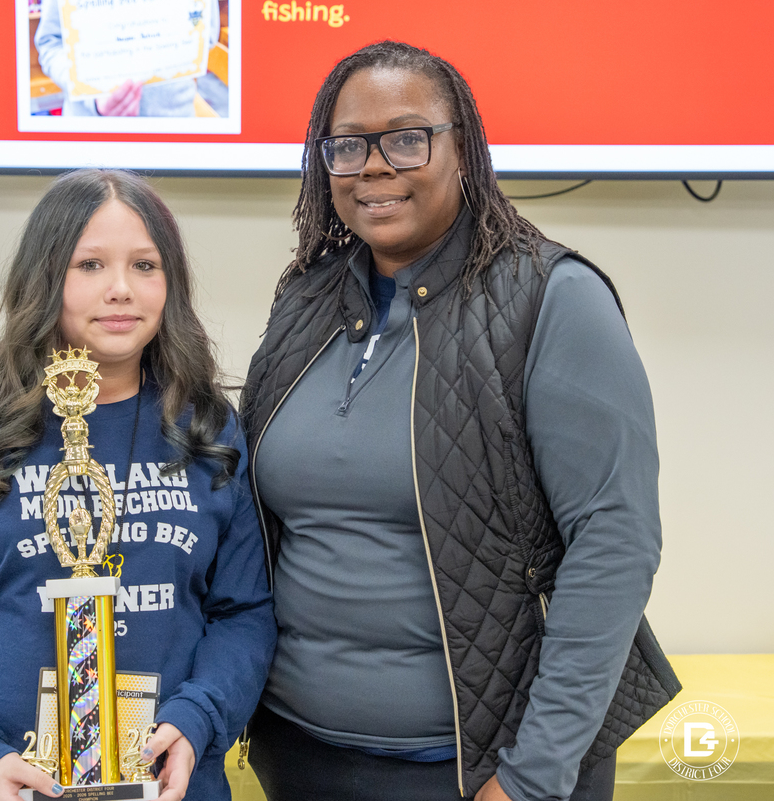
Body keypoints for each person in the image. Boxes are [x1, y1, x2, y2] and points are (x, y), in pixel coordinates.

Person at [239, 41, 680, 801]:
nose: (374, 166)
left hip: (481, 774)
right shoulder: (307, 297)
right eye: (348, 146)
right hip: (300, 754)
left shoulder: (553, 297)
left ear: (464, 149)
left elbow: (615, 540)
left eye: (408, 138)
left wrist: (533, 775)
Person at [0, 170, 276, 801]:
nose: (121, 289)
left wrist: (199, 718)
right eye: (89, 264)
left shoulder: (209, 431)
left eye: (145, 265)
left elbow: (244, 614)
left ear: (170, 284)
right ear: (43, 279)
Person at [34, 0, 220, 117]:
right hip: (92, 130)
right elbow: (50, 43)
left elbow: (207, 34)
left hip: (172, 125)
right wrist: (94, 98)